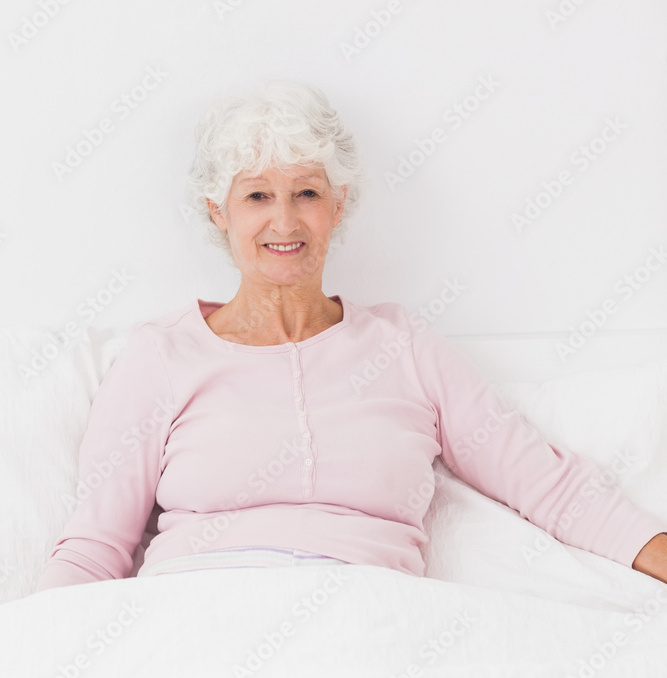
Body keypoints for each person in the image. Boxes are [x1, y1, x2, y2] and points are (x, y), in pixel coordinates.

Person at [35, 79, 667, 592]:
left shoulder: (403, 346)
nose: (285, 221)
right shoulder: (160, 356)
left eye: (306, 192)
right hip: (198, 617)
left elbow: (544, 482)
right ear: (218, 211)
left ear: (337, 206)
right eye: (257, 195)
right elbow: (96, 544)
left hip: (370, 625)